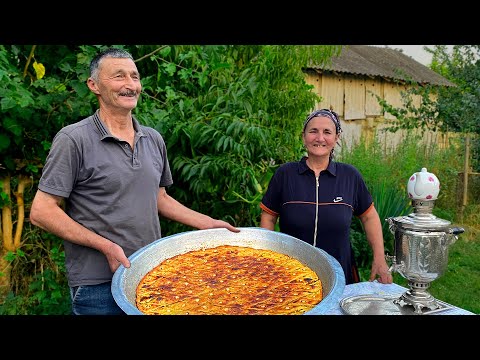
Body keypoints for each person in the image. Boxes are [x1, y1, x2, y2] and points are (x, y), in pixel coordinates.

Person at [29, 47, 239, 315]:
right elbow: (42, 211)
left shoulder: (153, 139)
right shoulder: (73, 139)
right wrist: (105, 246)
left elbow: (159, 198)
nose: (130, 85)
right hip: (97, 285)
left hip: (151, 274)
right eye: (119, 77)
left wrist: (208, 224)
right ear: (94, 85)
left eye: (134, 76)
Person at [259, 108, 392, 285]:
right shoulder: (285, 174)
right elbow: (268, 216)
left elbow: (369, 217)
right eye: (313, 131)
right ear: (304, 136)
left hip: (340, 274)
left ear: (336, 138)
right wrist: (266, 256)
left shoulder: (349, 176)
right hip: (289, 273)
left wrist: (379, 258)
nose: (320, 138)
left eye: (327, 132)